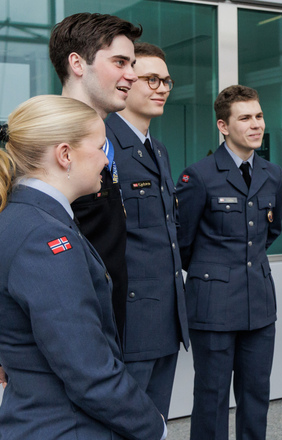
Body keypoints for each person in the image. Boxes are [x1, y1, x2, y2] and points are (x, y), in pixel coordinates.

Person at [0, 95, 166, 439]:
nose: (107, 162)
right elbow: (88, 370)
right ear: (65, 155)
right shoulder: (44, 235)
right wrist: (154, 428)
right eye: (101, 148)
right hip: (65, 425)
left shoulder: (19, 216)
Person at [176, 85, 282, 440]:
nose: (256, 125)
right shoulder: (200, 175)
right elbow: (184, 244)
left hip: (259, 304)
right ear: (223, 126)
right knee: (212, 396)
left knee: (256, 396)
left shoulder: (272, 174)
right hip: (214, 305)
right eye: (245, 118)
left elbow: (271, 231)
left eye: (259, 116)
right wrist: (217, 272)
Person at [107, 41, 189, 419]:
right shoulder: (103, 142)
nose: (161, 88)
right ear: (126, 82)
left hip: (166, 317)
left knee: (156, 422)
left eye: (166, 81)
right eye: (151, 79)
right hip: (130, 322)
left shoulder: (158, 148)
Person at [49, 12, 141, 342]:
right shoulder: (48, 146)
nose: (132, 75)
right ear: (77, 63)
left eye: (132, 63)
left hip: (107, 330)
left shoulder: (104, 141)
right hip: (70, 341)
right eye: (120, 62)